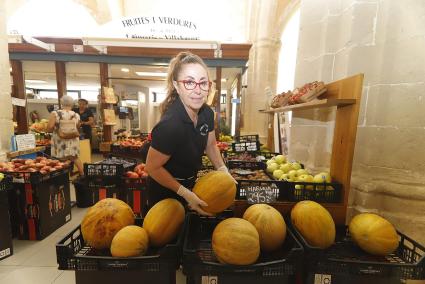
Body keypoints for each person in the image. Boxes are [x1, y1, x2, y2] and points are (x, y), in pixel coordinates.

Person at [145, 51, 235, 216]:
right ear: (177, 86)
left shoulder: (207, 113)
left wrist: (222, 169)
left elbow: (210, 144)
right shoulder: (170, 125)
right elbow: (152, 167)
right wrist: (184, 193)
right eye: (189, 82)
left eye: (203, 83)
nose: (198, 90)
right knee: (168, 235)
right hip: (165, 191)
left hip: (191, 184)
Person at [47, 95, 84, 175]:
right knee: (75, 158)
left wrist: (56, 128)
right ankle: (83, 175)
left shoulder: (55, 113)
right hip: (72, 139)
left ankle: (61, 177)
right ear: (72, 104)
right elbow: (77, 127)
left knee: (59, 158)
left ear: (61, 103)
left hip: (60, 140)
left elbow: (50, 128)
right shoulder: (76, 115)